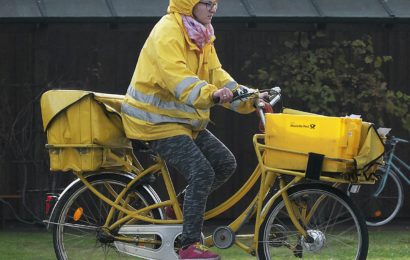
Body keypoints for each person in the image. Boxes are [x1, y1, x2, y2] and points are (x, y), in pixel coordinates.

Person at [121, 0, 266, 259]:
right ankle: (188, 246)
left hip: (181, 122)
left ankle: (176, 211)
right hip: (154, 122)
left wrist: (250, 97)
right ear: (188, 4)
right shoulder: (168, 32)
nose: (213, 8)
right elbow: (177, 77)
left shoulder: (201, 34)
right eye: (207, 3)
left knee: (225, 163)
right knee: (202, 171)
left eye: (215, 3)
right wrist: (211, 95)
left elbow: (217, 74)